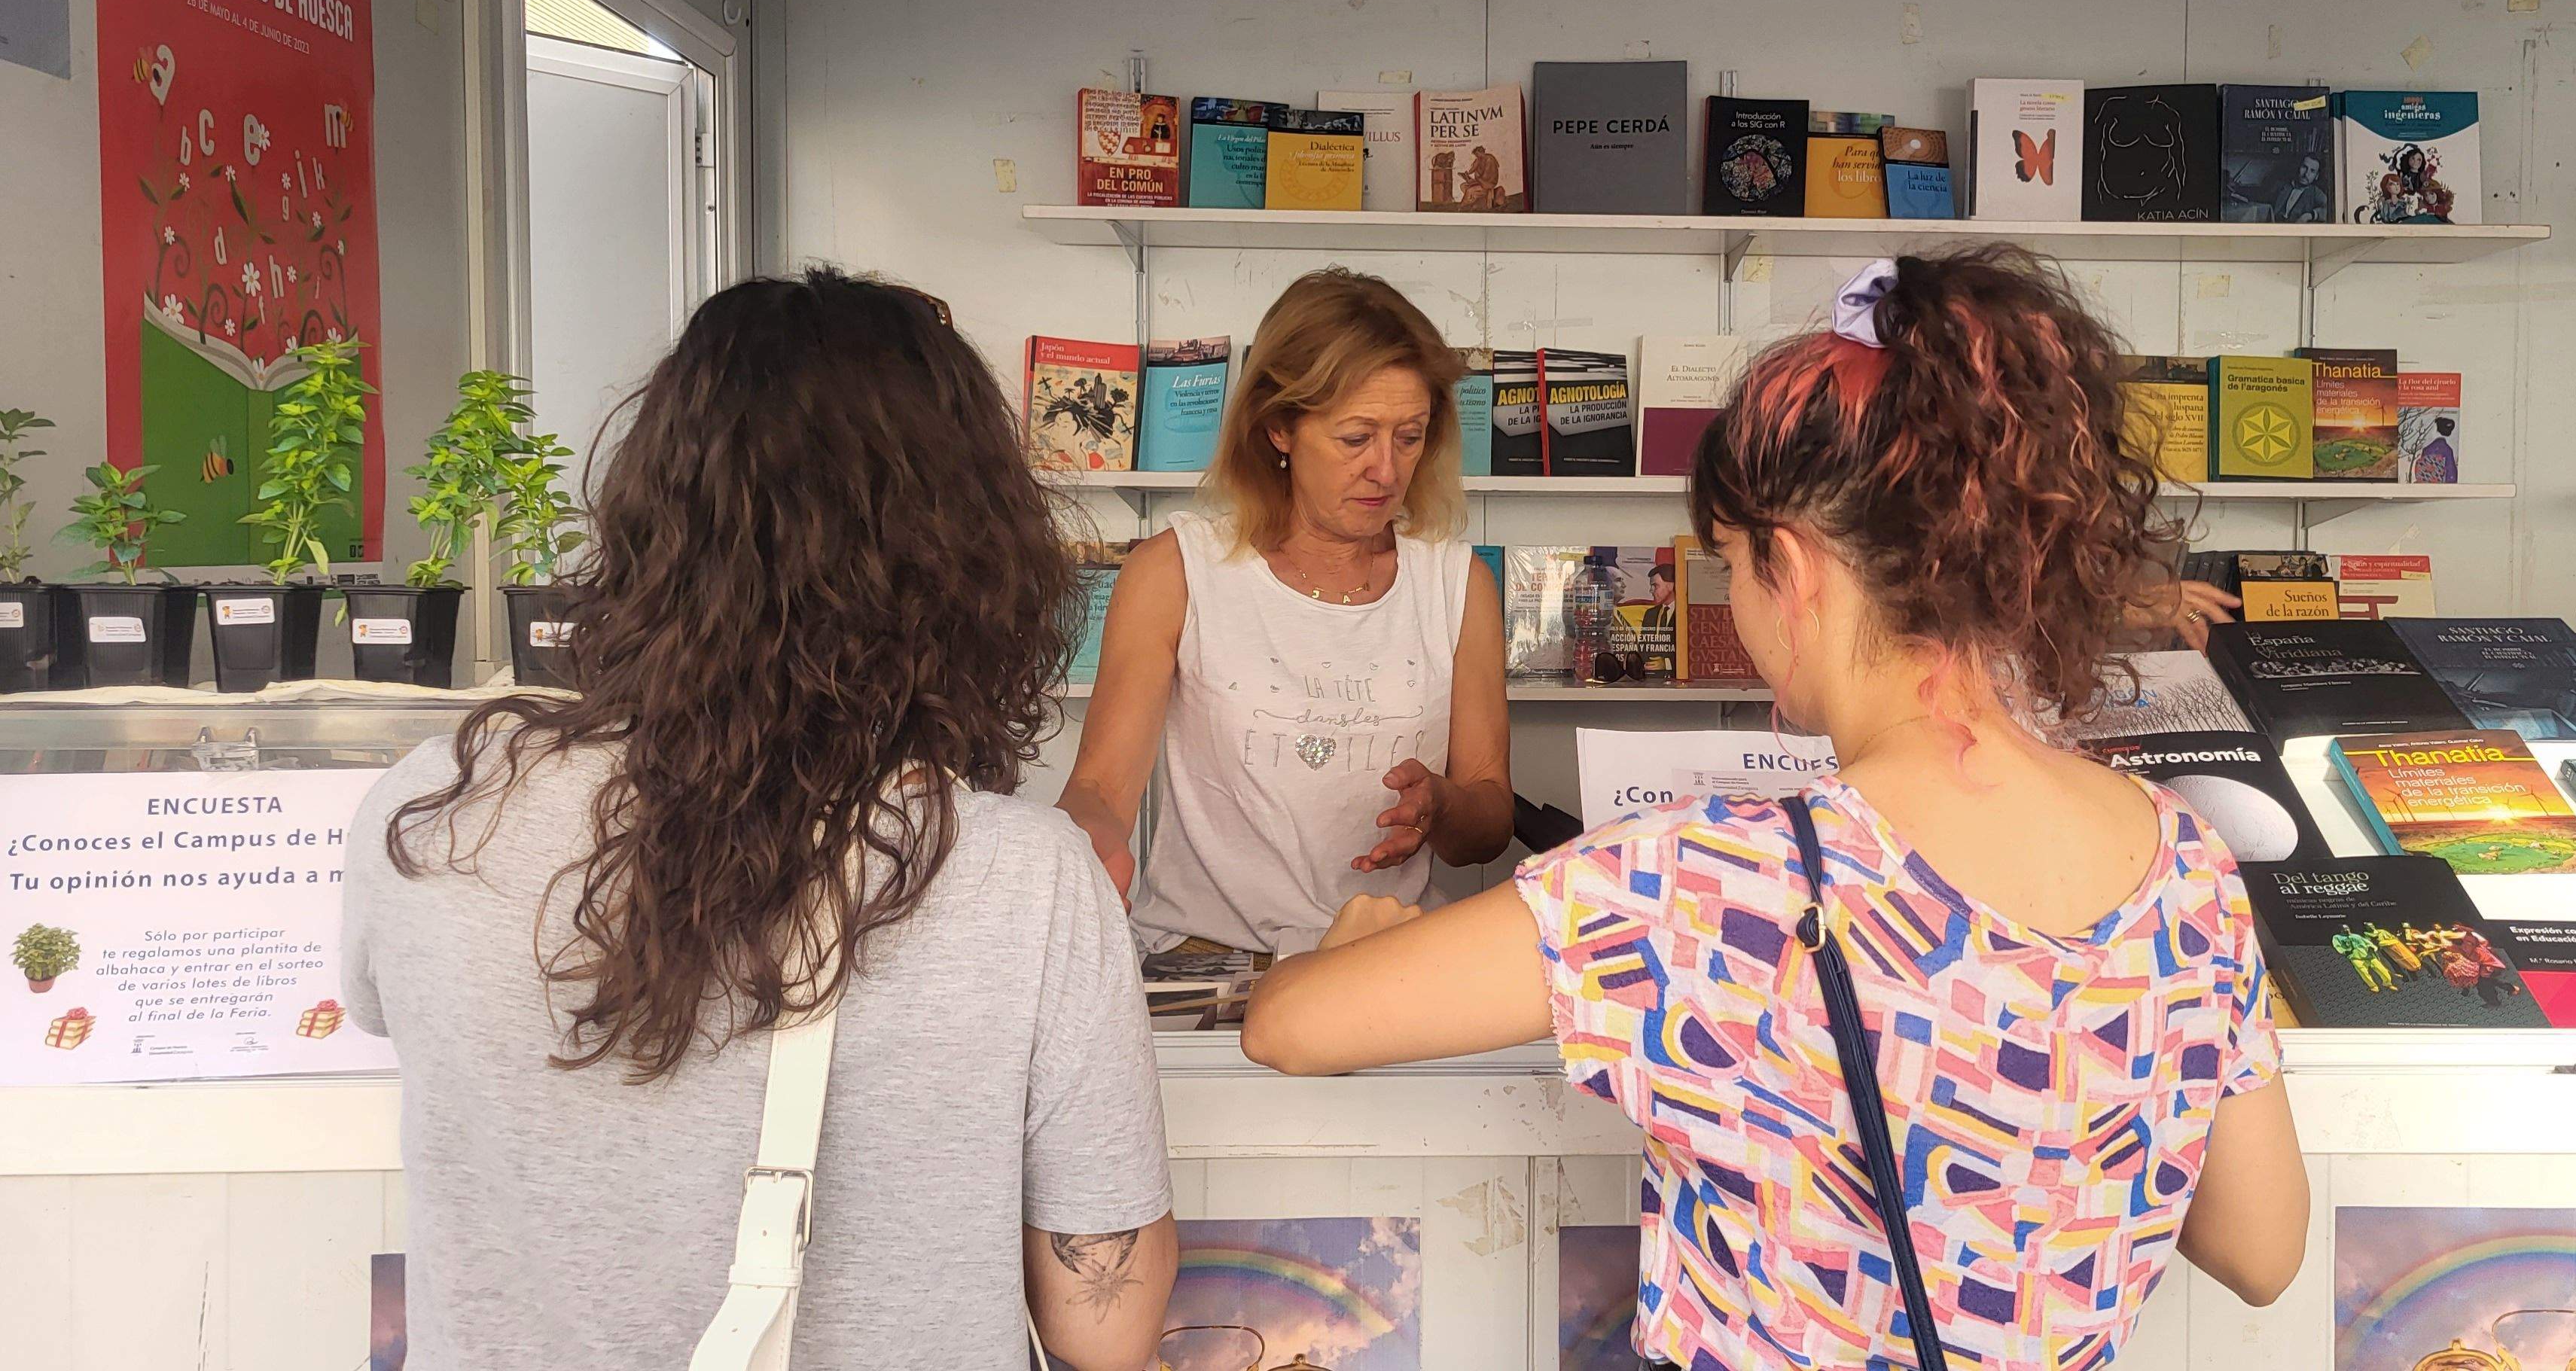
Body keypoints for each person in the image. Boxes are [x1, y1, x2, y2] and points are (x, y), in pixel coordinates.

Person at [1242, 250, 2310, 1368]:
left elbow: (1290, 1024)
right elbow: (2261, 1247)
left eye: (1730, 567)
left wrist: (1353, 940)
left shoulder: (1711, 882)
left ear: (1790, 567)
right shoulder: (2186, 864)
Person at [342, 271, 1176, 1370]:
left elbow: (385, 1018)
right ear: (970, 559)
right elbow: (1101, 1326)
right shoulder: (1024, 880)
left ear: (647, 513)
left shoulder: (435, 812)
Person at [1060, 269, 1514, 957]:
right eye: (1356, 438)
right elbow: (1099, 789)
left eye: (1410, 437)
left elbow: (1489, 821)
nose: (1388, 472)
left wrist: (1443, 807)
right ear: (1279, 427)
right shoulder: (1176, 570)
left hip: (1389, 957)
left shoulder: (1458, 584)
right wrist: (1074, 852)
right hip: (1203, 953)